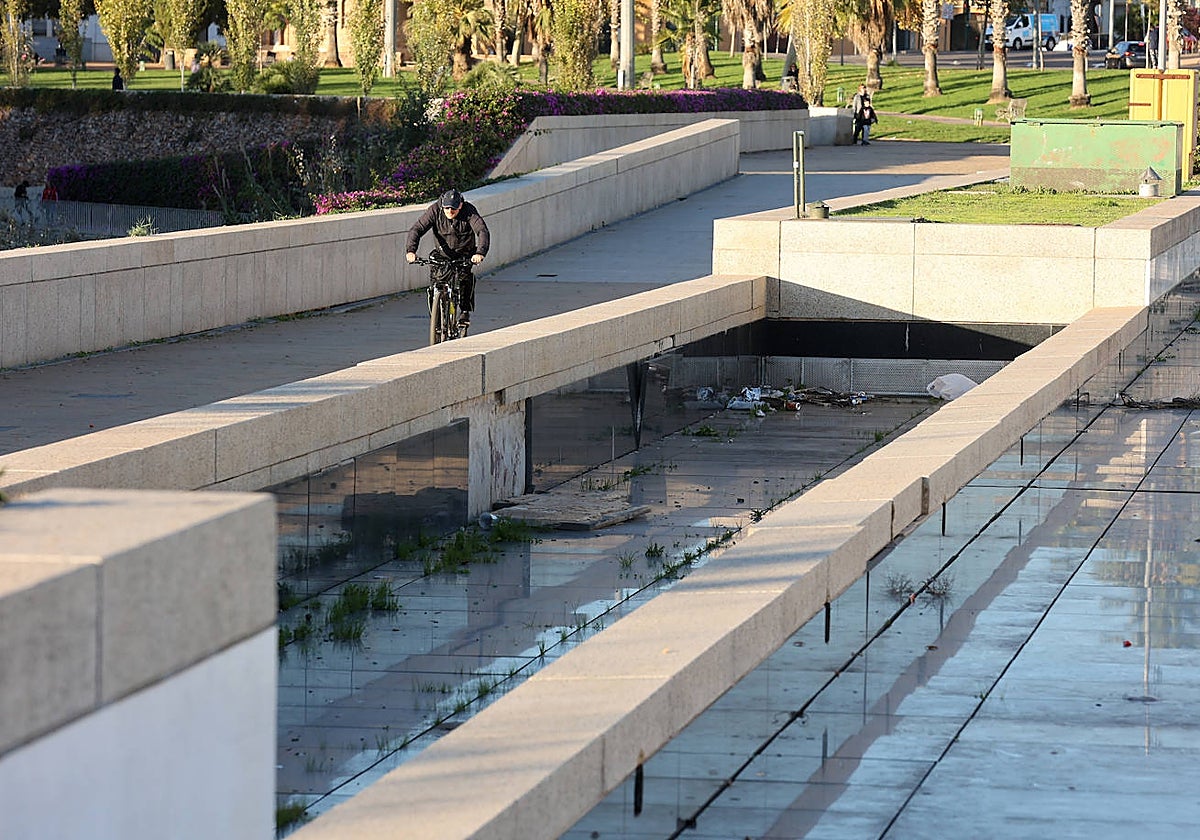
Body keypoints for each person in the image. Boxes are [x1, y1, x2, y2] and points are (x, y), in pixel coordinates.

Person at [405, 189, 490, 330]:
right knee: (435, 282)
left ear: (460, 206)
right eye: (447, 208)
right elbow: (417, 229)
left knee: (465, 278)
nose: (450, 211)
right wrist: (411, 251)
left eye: (454, 208)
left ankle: (465, 311)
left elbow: (482, 231)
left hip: (465, 253)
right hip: (442, 253)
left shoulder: (469, 211)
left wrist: (480, 253)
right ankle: (436, 315)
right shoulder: (435, 210)